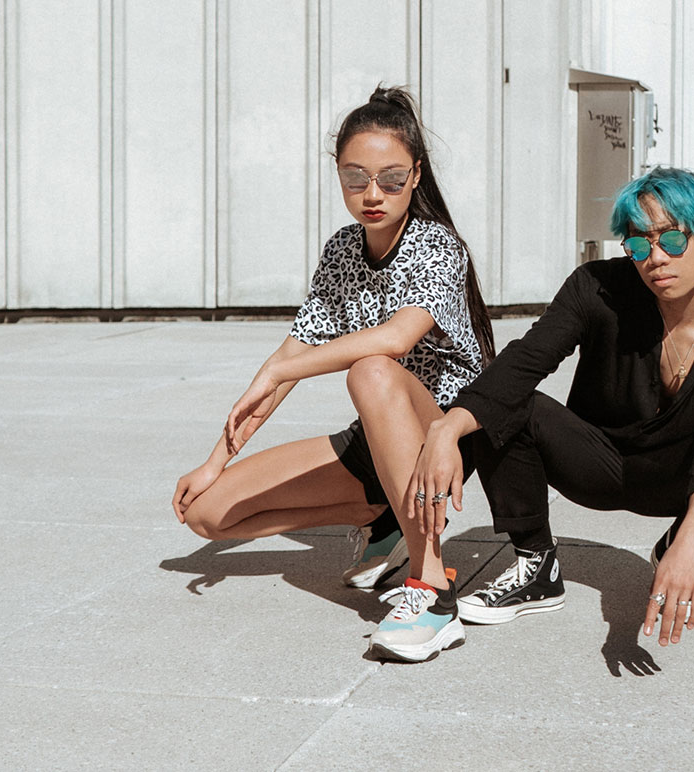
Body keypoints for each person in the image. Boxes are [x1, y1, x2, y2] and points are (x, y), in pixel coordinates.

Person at [171, 85, 494, 662]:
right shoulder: (342, 250)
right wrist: (214, 460)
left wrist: (285, 369)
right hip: (376, 440)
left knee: (370, 370)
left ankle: (432, 591)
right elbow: (290, 353)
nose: (372, 194)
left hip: (444, 434)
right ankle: (387, 515)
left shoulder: (438, 246)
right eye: (355, 178)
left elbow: (394, 340)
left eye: (391, 179)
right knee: (207, 513)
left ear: (416, 176)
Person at [408, 166, 694, 648]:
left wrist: (692, 541)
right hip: (594, 461)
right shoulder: (598, 286)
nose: (655, 258)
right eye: (639, 244)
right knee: (502, 404)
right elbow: (526, 359)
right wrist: (446, 429)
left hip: (677, 478)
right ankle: (536, 567)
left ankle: (676, 552)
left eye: (672, 239)